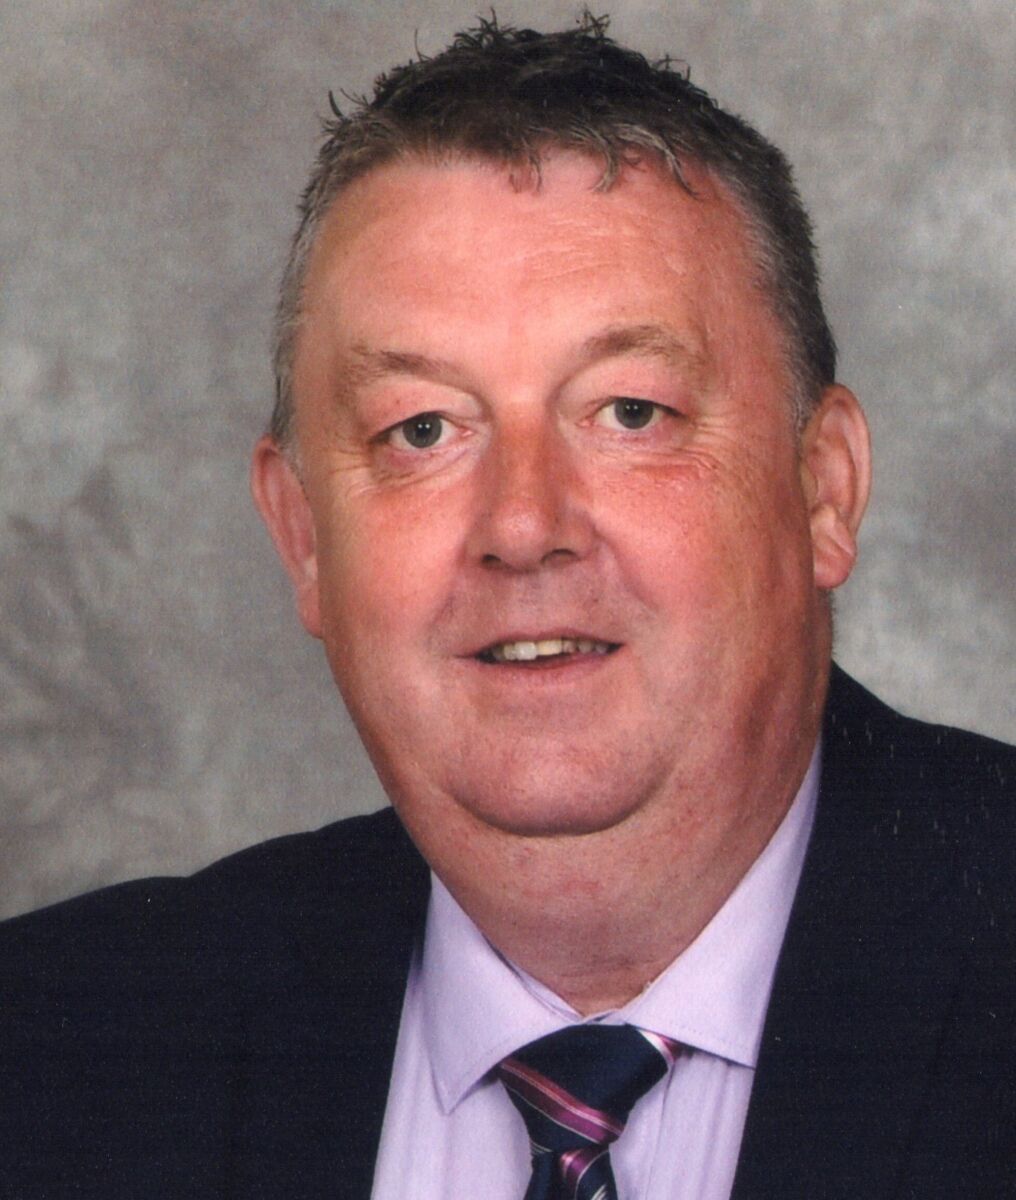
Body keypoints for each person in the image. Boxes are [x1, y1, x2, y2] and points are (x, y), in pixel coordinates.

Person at [1, 15, 1013, 1199]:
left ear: (820, 488)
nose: (524, 525)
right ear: (302, 536)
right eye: (421, 430)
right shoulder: (54, 1057)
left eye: (630, 412)